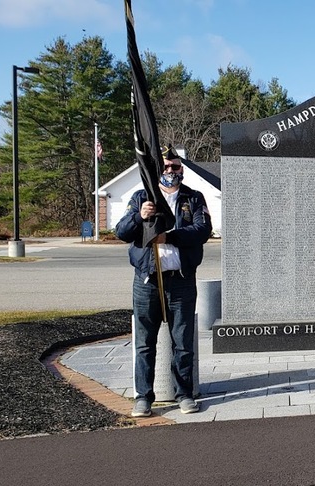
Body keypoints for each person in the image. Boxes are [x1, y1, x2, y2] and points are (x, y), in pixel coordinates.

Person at [115, 145, 213, 417]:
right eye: (166, 167)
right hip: (147, 281)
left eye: (176, 167)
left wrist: (168, 237)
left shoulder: (193, 198)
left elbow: (202, 229)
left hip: (180, 281)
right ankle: (143, 397)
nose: (171, 171)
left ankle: (184, 394)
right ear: (157, 169)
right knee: (145, 342)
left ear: (182, 169)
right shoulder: (140, 198)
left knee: (182, 342)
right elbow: (122, 232)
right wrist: (140, 216)